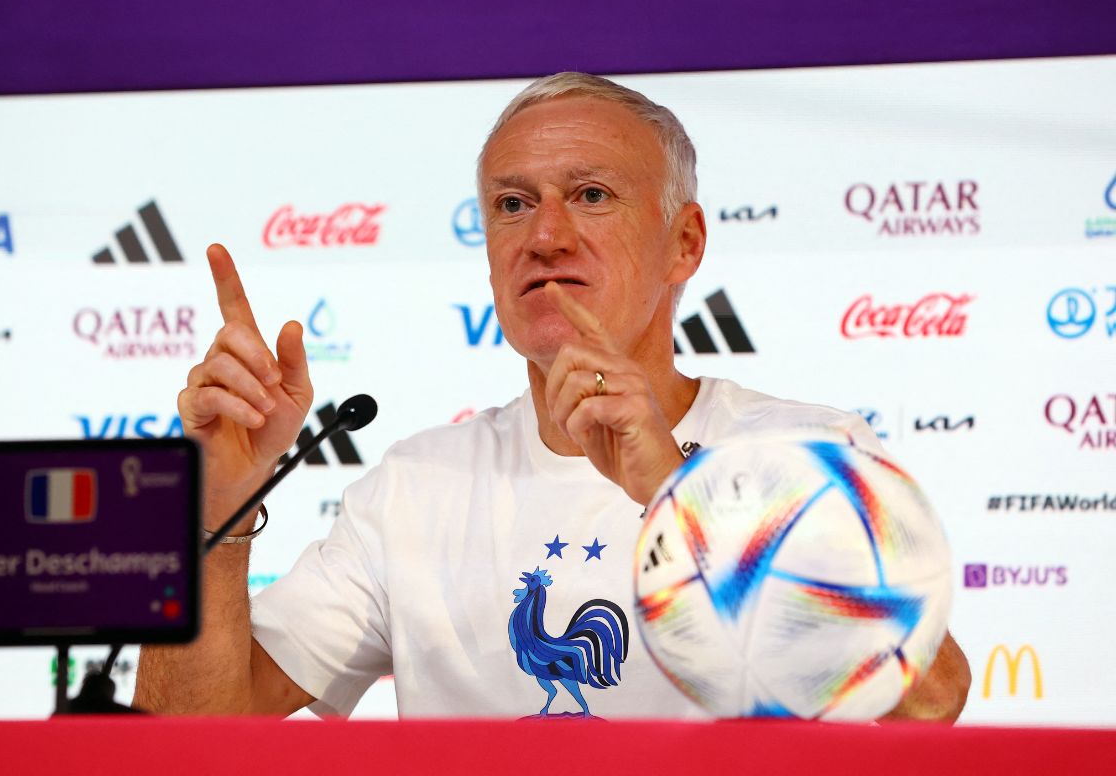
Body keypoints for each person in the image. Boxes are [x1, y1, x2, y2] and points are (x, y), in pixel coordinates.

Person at [134, 73, 970, 720]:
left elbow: (929, 703)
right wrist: (221, 511)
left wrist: (675, 493)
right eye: (512, 204)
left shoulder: (807, 448)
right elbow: (188, 733)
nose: (544, 235)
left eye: (592, 195)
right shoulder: (414, 487)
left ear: (684, 244)